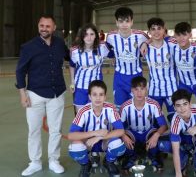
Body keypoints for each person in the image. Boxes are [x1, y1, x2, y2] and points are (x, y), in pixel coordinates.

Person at [15, 14, 69, 176]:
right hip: (35, 94)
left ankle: (54, 160)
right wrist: (22, 94)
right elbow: (20, 71)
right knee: (34, 130)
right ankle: (35, 162)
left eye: (47, 26)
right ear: (38, 26)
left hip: (57, 93)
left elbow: (71, 57)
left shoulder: (60, 44)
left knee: (55, 130)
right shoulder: (28, 47)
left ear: (54, 28)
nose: (44, 28)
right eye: (41, 25)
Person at [68, 80, 126, 177]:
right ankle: (86, 164)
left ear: (105, 96)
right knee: (75, 148)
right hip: (89, 143)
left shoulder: (110, 108)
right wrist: (95, 133)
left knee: (118, 145)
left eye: (101, 94)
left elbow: (121, 130)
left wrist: (99, 137)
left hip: (105, 142)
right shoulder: (83, 111)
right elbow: (71, 135)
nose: (98, 98)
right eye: (94, 94)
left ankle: (108, 162)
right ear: (89, 97)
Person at [159, 89, 196, 177]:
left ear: (190, 104)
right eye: (178, 105)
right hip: (182, 141)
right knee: (163, 144)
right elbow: (175, 150)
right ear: (174, 107)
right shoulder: (175, 121)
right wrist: (178, 174)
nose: (182, 109)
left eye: (185, 104)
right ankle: (183, 156)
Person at [119, 76, 168, 172]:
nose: (139, 92)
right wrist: (124, 136)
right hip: (133, 133)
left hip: (148, 132)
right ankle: (131, 156)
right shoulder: (125, 106)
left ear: (146, 89)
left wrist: (157, 135)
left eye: (142, 89)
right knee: (120, 138)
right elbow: (118, 127)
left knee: (158, 138)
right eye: (136, 89)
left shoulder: (154, 104)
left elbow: (164, 125)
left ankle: (153, 155)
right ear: (132, 90)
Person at [106, 6, 149, 109]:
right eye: (121, 21)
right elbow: (108, 46)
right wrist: (112, 57)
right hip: (119, 77)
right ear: (116, 22)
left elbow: (152, 40)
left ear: (132, 22)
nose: (124, 24)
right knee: (120, 107)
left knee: (137, 107)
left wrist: (146, 43)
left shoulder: (141, 35)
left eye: (127, 21)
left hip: (136, 76)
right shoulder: (111, 36)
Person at [69, 23, 112, 111]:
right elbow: (72, 65)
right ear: (82, 36)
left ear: (96, 35)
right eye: (86, 34)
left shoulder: (102, 48)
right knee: (80, 116)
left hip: (96, 88)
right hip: (80, 87)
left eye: (92, 34)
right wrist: (72, 82)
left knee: (95, 114)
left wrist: (114, 58)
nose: (89, 37)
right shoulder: (75, 51)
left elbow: (115, 52)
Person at [144, 17, 178, 122]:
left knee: (176, 119)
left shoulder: (172, 44)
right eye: (153, 29)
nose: (156, 31)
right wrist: (145, 43)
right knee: (154, 121)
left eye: (159, 28)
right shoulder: (145, 48)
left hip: (171, 90)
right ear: (149, 32)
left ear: (164, 30)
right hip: (154, 91)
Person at [173, 22, 196, 106]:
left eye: (184, 35)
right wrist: (145, 43)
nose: (181, 38)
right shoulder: (172, 48)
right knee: (182, 109)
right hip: (183, 85)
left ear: (190, 35)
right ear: (175, 36)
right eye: (178, 35)